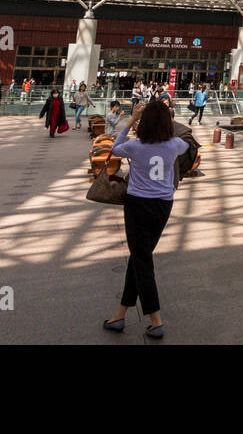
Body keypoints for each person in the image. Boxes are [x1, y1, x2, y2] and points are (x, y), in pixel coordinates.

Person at [103, 99, 188, 339]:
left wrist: (131, 119)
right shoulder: (175, 145)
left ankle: (156, 320)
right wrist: (167, 118)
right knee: (139, 258)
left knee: (142, 260)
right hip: (163, 205)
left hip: (138, 205)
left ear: (145, 123)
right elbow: (184, 136)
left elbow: (114, 148)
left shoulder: (135, 147)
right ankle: (119, 315)